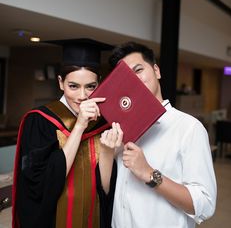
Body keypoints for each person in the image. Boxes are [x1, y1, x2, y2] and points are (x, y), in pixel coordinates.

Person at [101, 41, 217, 228]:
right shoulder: (119, 130)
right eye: (126, 77)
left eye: (138, 70)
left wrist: (149, 174)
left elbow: (205, 204)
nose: (134, 80)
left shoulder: (188, 128)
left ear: (156, 71)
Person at [12, 38, 118, 228]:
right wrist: (79, 126)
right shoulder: (40, 121)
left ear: (99, 83)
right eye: (73, 86)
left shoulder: (104, 123)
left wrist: (109, 151)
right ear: (61, 83)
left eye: (91, 86)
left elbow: (107, 189)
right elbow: (37, 187)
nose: (82, 96)